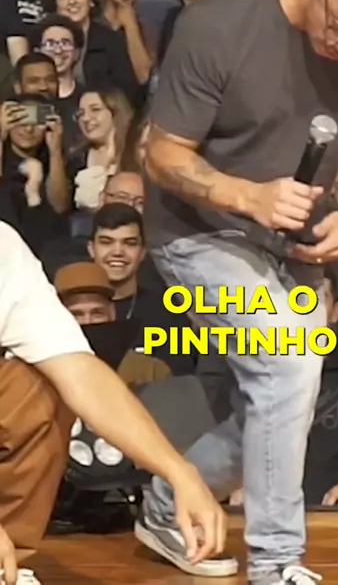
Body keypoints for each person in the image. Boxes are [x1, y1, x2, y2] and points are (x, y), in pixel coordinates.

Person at [142, 0, 338, 584]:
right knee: (287, 360)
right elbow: (160, 154)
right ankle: (274, 564)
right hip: (199, 230)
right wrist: (248, 195)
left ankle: (165, 505)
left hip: (293, 233)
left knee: (284, 399)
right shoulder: (219, 23)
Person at [0, 220, 225, 585]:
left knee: (39, 385)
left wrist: (179, 472)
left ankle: (6, 567)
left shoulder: (4, 247)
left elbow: (79, 371)